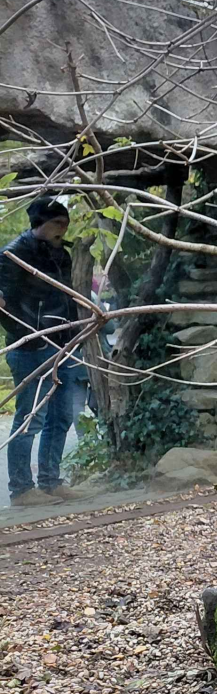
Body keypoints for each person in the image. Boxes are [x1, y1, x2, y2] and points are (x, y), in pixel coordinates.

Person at [0, 198, 87, 505]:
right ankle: (21, 490)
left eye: (65, 223)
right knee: (30, 419)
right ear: (40, 223)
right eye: (57, 223)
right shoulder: (13, 255)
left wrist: (73, 333)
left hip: (61, 345)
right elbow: (3, 305)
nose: (63, 229)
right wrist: (28, 337)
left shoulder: (61, 255)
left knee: (62, 415)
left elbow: (67, 298)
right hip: (30, 348)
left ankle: (50, 482)